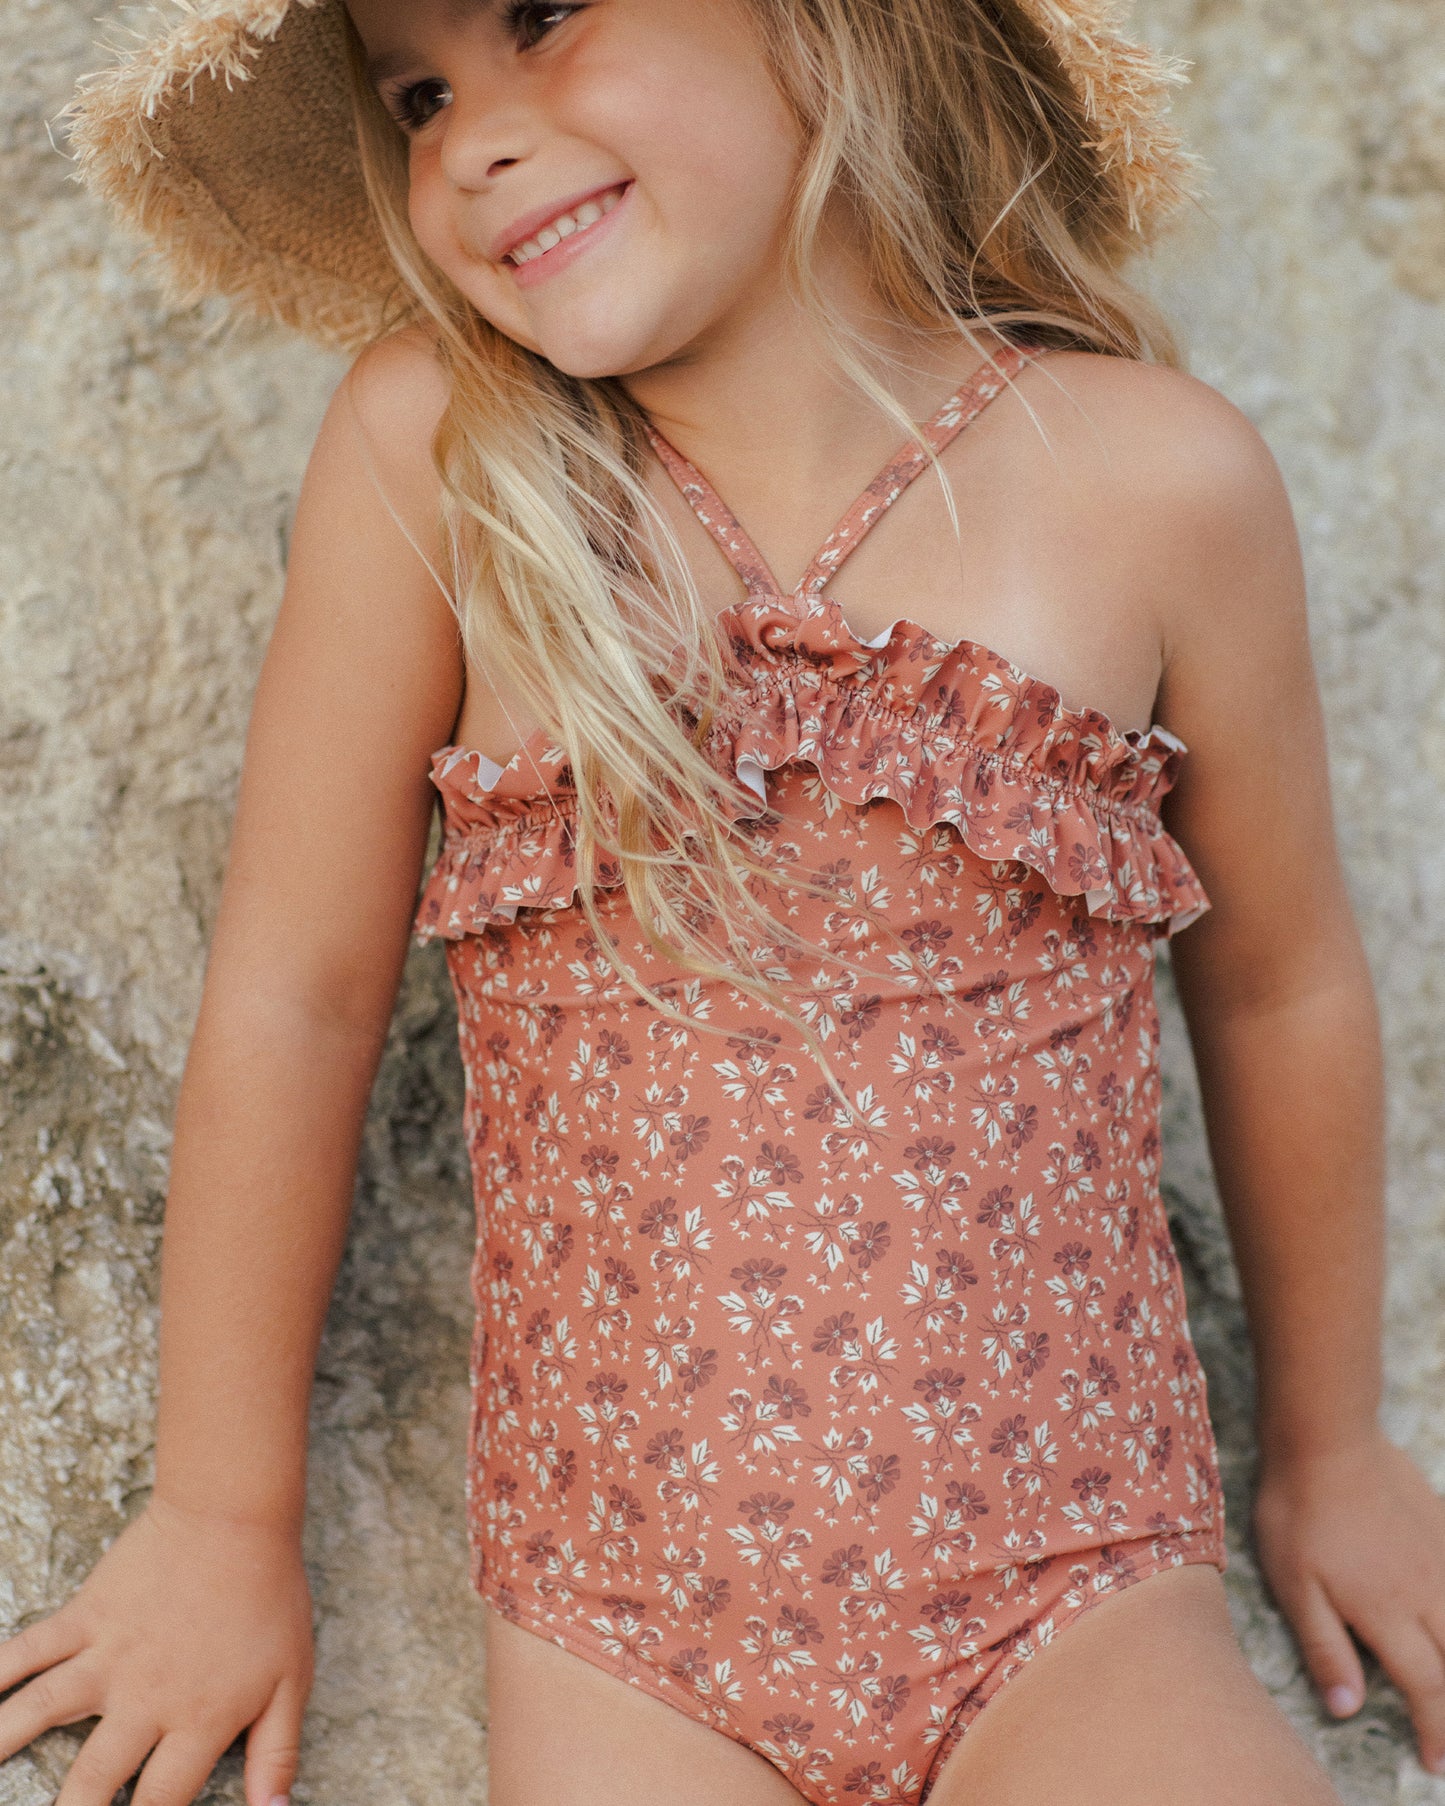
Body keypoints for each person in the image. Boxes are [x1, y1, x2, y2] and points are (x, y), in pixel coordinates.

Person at [4, 1, 1443, 1801]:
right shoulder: (444, 459)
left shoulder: (1153, 480)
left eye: (544, 17)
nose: (473, 137)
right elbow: (295, 992)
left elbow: (1281, 985)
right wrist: (221, 1519)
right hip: (627, 1631)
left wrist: (1333, 1446)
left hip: (1070, 1590)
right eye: (421, 94)